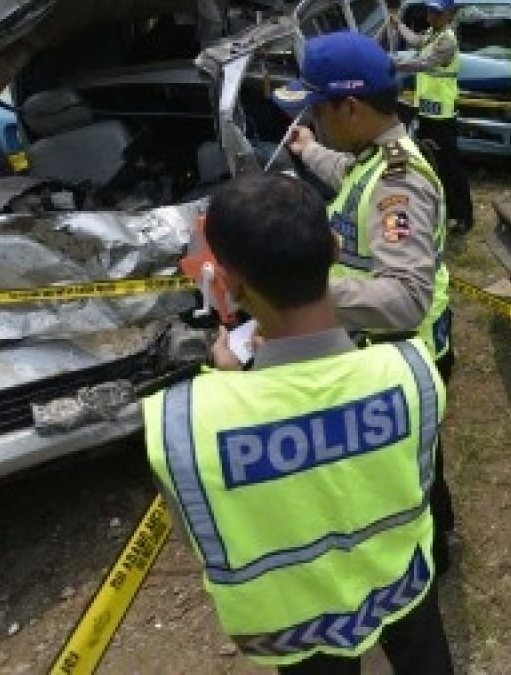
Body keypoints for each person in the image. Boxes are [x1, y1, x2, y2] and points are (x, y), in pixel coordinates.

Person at [143, 173, 454, 674]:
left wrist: (233, 384)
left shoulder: (187, 420)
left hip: (292, 623)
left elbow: (201, 529)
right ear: (334, 250)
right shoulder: (413, 372)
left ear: (228, 282)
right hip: (402, 582)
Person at [274, 31, 458, 575]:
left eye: (318, 109)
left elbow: (403, 299)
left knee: (408, 474)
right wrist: (309, 150)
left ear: (349, 106)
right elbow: (352, 178)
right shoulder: (375, 159)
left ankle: (431, 559)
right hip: (395, 349)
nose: (316, 117)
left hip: (405, 350)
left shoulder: (400, 186)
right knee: (424, 459)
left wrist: (301, 290)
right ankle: (440, 534)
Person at [386, 0, 474, 234]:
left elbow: (422, 62)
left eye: (437, 12)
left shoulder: (446, 41)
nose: (431, 16)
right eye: (430, 11)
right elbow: (415, 41)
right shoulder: (432, 35)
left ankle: (463, 215)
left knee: (450, 167)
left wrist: (389, 62)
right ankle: (442, 211)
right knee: (431, 165)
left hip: (442, 115)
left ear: (448, 14)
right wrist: (399, 24)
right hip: (427, 112)